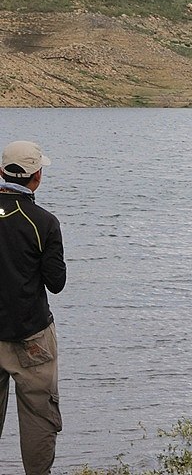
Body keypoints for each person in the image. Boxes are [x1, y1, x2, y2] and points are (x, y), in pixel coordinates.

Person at [0, 141, 66, 474]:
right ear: (36, 176)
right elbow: (56, 283)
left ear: (1, 171)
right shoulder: (44, 222)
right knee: (39, 419)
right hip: (32, 337)